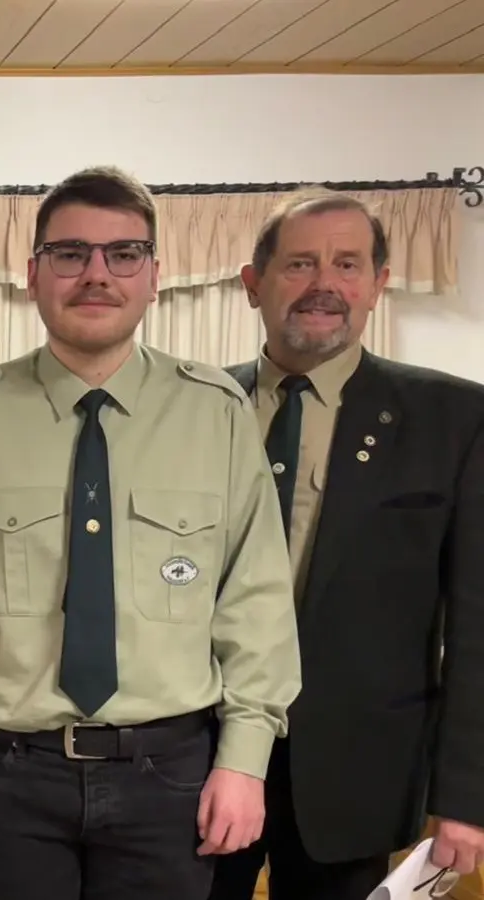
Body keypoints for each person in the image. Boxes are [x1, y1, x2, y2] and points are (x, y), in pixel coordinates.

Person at [0, 165, 304, 900]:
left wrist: (245, 759)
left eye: (124, 254)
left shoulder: (215, 411)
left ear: (154, 276)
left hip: (171, 774)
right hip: (5, 774)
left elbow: (256, 599)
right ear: (33, 274)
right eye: (71, 253)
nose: (96, 274)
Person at [206, 188, 484, 900]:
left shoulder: (455, 417)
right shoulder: (198, 408)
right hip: (197, 760)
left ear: (378, 285)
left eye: (348, 264)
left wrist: (465, 798)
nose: (324, 284)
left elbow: (476, 626)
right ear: (253, 283)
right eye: (300, 263)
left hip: (358, 774)